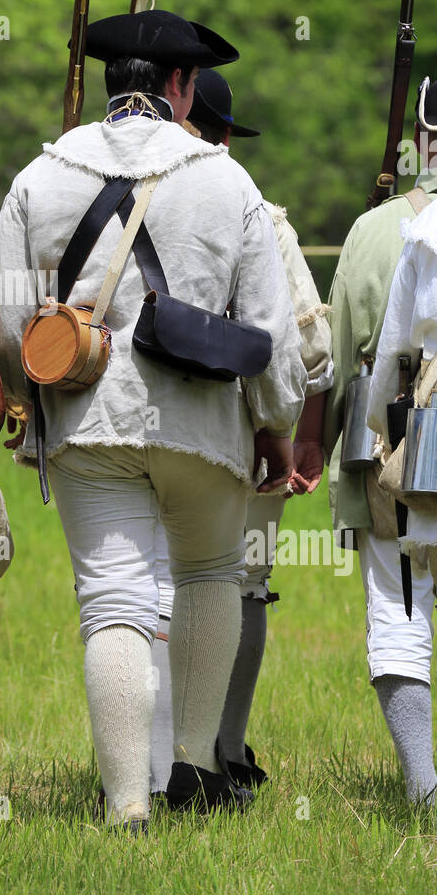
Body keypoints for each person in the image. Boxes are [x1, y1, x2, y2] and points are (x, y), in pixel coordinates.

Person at [0, 9, 306, 826]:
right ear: (181, 86)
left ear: (109, 84)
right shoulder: (228, 180)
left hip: (88, 425)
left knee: (112, 601)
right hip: (202, 426)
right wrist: (276, 426)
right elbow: (271, 336)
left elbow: (2, 324)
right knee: (208, 578)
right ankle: (195, 766)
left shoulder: (38, 176)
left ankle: (128, 803)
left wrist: (25, 402)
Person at [147, 69, 333, 794]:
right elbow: (310, 348)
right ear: (223, 133)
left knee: (140, 592)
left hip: (126, 427)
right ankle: (221, 751)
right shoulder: (258, 209)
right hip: (239, 429)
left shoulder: (124, 192)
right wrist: (296, 431)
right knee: (241, 584)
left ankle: (147, 764)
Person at [323, 76, 437, 803]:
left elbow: (368, 355)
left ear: (424, 137)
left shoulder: (392, 233)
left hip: (414, 436)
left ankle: (425, 789)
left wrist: (361, 440)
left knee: (402, 609)